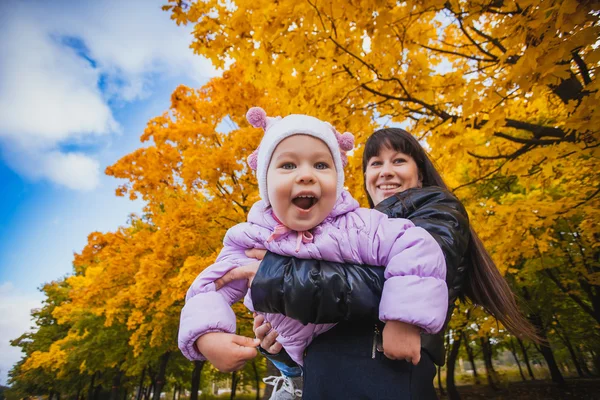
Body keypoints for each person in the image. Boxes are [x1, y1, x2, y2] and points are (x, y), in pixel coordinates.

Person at [218, 128, 539, 399]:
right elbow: (327, 315)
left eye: (398, 160)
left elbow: (393, 280)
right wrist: (282, 343)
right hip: (329, 376)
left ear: (421, 172)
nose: (385, 170)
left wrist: (277, 277)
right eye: (375, 163)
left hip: (381, 367)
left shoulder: (435, 207)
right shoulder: (353, 231)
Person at [178, 109, 450, 392]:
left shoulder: (359, 226)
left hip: (373, 364)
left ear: (338, 179)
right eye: (288, 166)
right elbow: (210, 286)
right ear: (265, 183)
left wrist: (403, 319)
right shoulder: (251, 239)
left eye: (321, 165)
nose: (306, 175)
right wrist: (207, 336)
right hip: (315, 369)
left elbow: (418, 245)